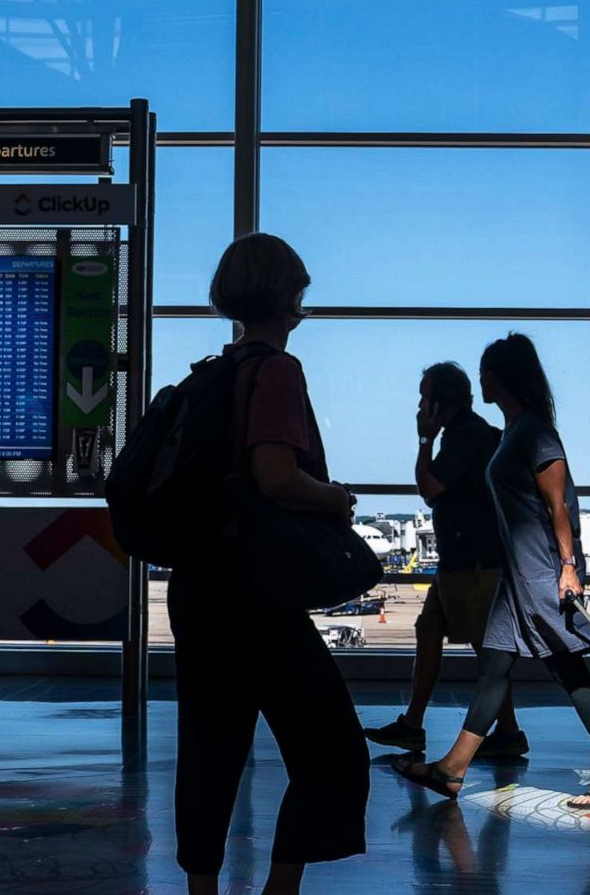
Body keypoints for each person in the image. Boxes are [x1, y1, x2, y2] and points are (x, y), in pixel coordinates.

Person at [167, 233, 368, 895]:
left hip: (198, 586)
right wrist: (334, 497)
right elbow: (276, 477)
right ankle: (279, 890)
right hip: (255, 592)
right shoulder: (276, 371)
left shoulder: (212, 374)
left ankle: (202, 892)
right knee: (330, 749)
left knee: (209, 751)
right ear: (290, 297)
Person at [394, 333, 590, 810]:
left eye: (485, 371)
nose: (479, 379)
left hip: (542, 574)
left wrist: (567, 567)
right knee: (495, 669)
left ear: (501, 377)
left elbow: (558, 503)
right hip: (515, 578)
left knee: (569, 671)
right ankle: (452, 771)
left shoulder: (535, 432)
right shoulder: (516, 428)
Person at [363, 362, 527, 758]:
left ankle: (505, 731)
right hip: (462, 559)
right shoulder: (473, 433)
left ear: (440, 403)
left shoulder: (465, 437)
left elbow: (430, 488)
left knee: (486, 648)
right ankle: (415, 724)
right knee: (430, 631)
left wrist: (423, 440)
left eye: (425, 397)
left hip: (470, 562)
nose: (419, 405)